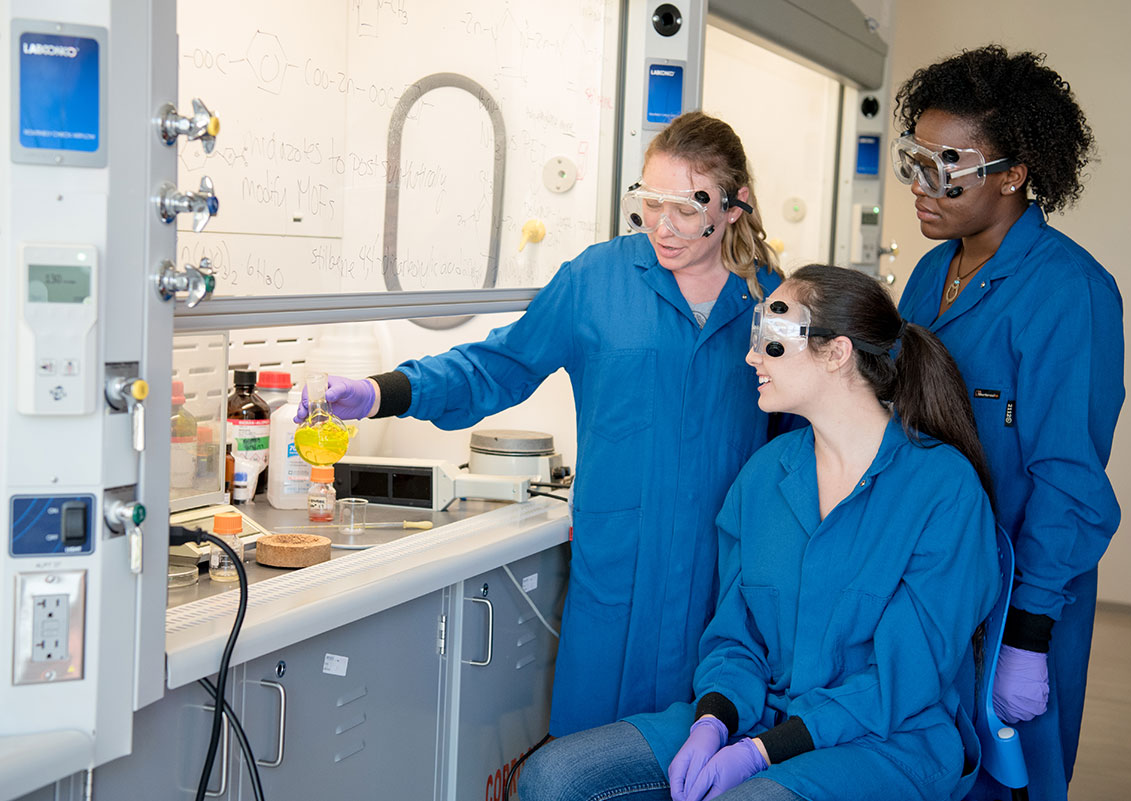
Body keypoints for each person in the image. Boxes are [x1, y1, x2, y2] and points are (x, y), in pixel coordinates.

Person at [297, 111, 786, 736]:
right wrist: (381, 392)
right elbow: (496, 365)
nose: (662, 228)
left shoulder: (771, 300)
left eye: (685, 210)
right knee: (587, 762)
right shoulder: (598, 280)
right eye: (648, 203)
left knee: (711, 749)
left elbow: (801, 440)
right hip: (620, 575)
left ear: (733, 204)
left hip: (725, 578)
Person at [518, 264, 1002, 801]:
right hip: (759, 716)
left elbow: (904, 677)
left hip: (885, 740)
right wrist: (714, 721)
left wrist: (763, 753)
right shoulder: (763, 477)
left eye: (772, 344)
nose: (752, 357)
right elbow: (735, 637)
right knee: (552, 776)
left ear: (837, 353)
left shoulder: (943, 489)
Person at [891, 46, 1125, 801]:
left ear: (1015, 175)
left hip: (1019, 596)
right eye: (915, 160)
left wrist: (1027, 633)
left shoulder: (1069, 291)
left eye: (947, 165)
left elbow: (1069, 478)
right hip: (932, 578)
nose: (921, 188)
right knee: (926, 767)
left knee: (1015, 779)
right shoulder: (934, 273)